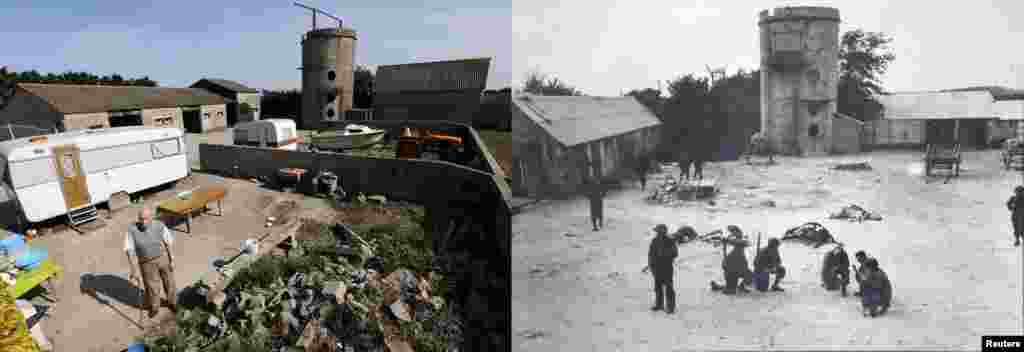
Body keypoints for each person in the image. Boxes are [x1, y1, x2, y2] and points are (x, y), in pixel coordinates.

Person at [125, 207, 178, 319]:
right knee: (151, 286)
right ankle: (155, 307)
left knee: (169, 281)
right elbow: (129, 249)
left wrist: (172, 258)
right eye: (141, 219)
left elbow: (168, 242)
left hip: (162, 257)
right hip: (146, 263)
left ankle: (172, 302)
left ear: (151, 218)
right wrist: (133, 269)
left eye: (146, 219)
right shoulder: (132, 230)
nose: (143, 222)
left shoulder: (159, 225)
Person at [710, 226, 753, 294]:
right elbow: (740, 242)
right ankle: (720, 287)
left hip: (739, 269)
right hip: (730, 271)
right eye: (735, 232)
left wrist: (728, 240)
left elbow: (745, 243)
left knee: (750, 276)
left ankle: (740, 286)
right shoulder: (733, 249)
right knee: (730, 290)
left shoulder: (738, 244)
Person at [647, 224, 678, 313]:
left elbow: (675, 253)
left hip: (667, 267)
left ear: (663, 232)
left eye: (658, 232)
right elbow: (651, 254)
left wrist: (665, 255)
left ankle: (670, 307)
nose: (657, 233)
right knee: (658, 287)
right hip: (657, 268)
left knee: (669, 287)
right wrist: (651, 265)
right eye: (657, 232)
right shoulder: (655, 241)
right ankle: (659, 304)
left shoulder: (670, 241)